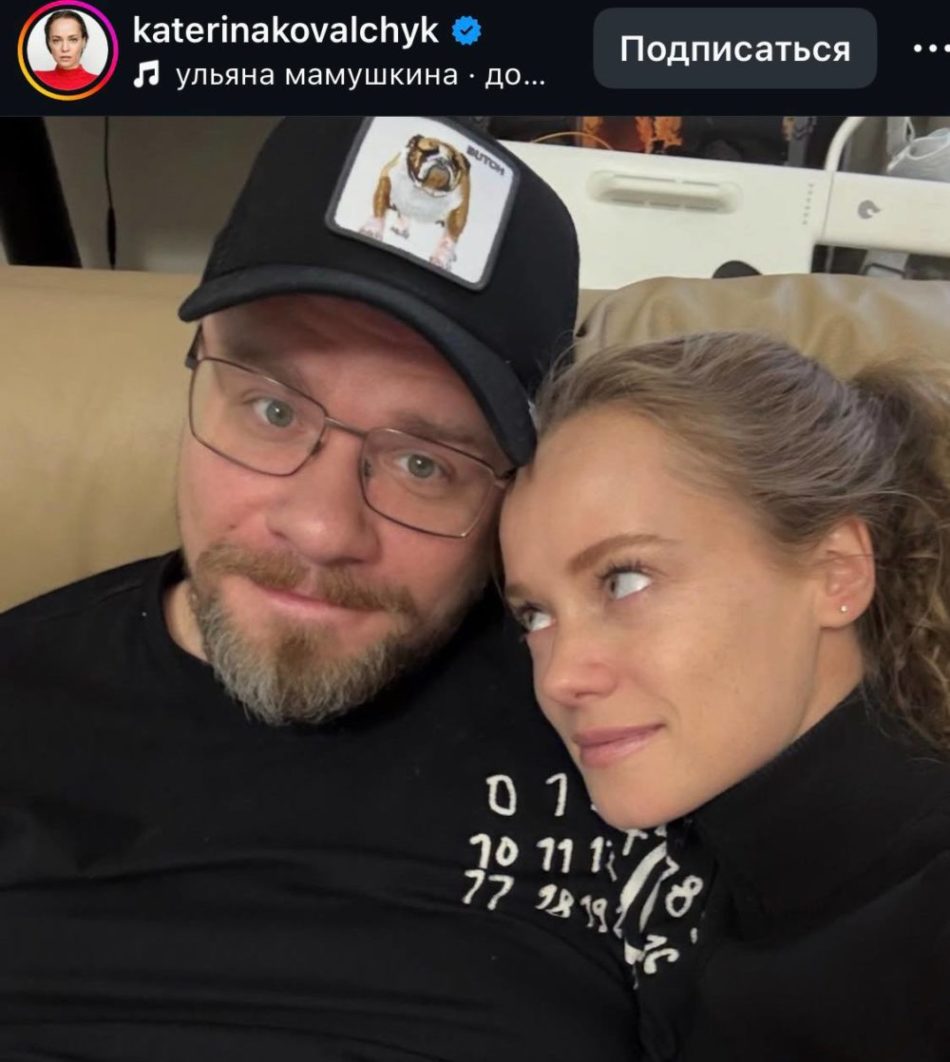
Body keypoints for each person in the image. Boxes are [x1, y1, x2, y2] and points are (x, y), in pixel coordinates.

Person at [0, 117, 642, 1060]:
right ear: (196, 374)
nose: (321, 529)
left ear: (515, 490)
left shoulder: (622, 716)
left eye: (424, 464)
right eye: (272, 410)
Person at [501, 330, 950, 1061]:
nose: (559, 677)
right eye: (535, 615)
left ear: (836, 572)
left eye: (624, 580)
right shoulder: (701, 875)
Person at [34, 9, 97, 91]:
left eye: (73, 40)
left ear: (84, 41)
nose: (65, 48)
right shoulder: (34, 78)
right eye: (56, 40)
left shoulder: (100, 82)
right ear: (48, 43)